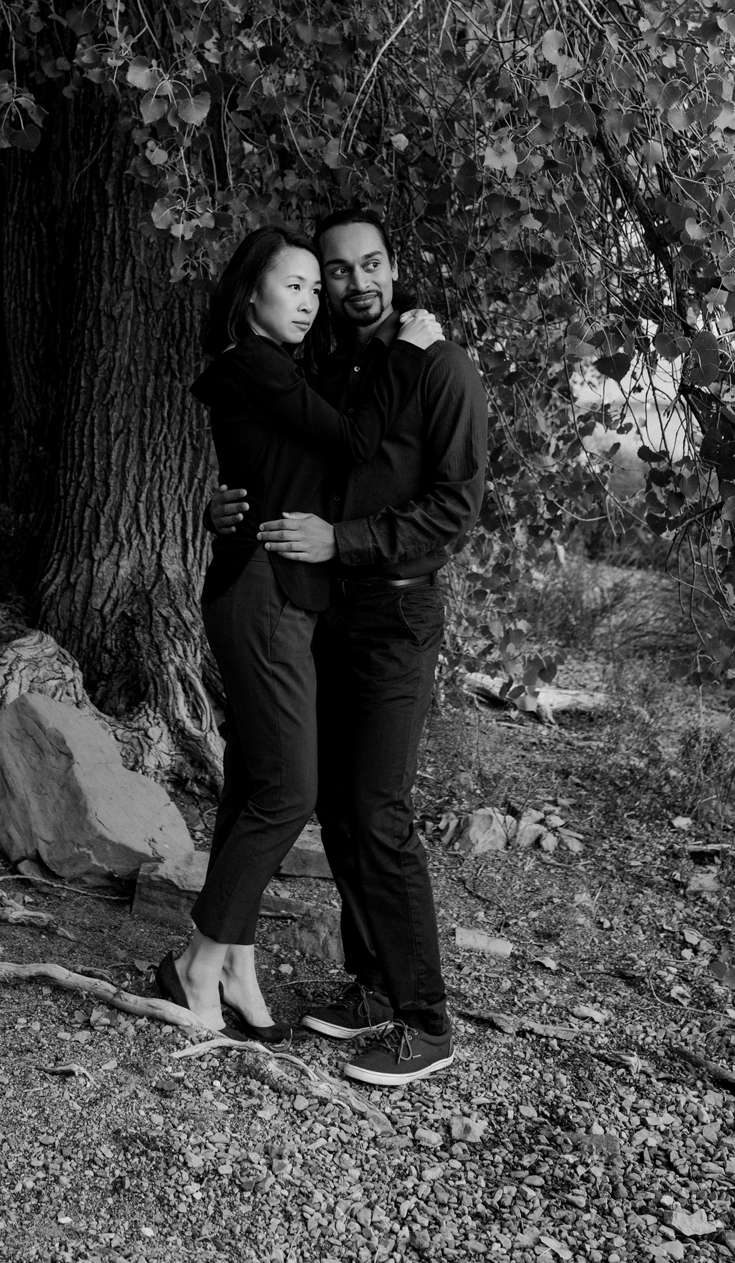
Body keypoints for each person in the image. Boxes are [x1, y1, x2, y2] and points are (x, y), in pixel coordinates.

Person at [210, 208, 487, 1083]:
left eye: (372, 264)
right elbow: (291, 462)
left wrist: (345, 540)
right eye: (337, 270)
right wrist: (230, 507)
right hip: (317, 609)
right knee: (331, 804)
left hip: (395, 615)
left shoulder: (440, 367)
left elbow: (454, 510)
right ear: (323, 284)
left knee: (377, 810)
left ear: (393, 268)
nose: (357, 281)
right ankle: (370, 986)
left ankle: (425, 1020)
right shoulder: (323, 368)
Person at [152, 224, 443, 1041]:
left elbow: (287, 463)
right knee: (289, 792)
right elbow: (355, 443)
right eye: (296, 286)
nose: (312, 302)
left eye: (318, 288)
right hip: (264, 591)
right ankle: (198, 962)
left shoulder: (280, 368)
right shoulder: (256, 362)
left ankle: (234, 963)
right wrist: (410, 353)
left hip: (283, 591)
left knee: (257, 779)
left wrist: (227, 499)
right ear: (251, 294)